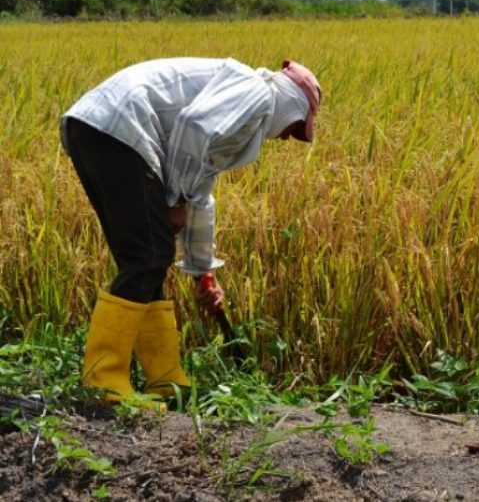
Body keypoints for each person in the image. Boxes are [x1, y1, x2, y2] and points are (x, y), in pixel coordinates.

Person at [60, 57, 322, 404]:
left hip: (98, 128)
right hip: (119, 127)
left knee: (148, 257)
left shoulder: (239, 112)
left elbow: (201, 191)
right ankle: (104, 381)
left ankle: (166, 380)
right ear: (292, 106)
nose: (289, 138)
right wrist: (175, 199)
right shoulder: (257, 94)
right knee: (149, 256)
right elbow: (194, 127)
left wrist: (202, 272)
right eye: (296, 127)